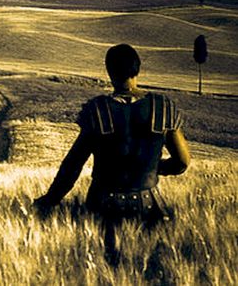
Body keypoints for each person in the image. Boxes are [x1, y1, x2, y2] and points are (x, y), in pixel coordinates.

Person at [33, 44, 190, 266]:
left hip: (102, 205)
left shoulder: (97, 110)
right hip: (149, 205)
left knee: (103, 267)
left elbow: (73, 165)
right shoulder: (162, 107)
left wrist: (50, 200)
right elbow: (182, 163)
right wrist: (152, 167)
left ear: (108, 71)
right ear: (138, 69)